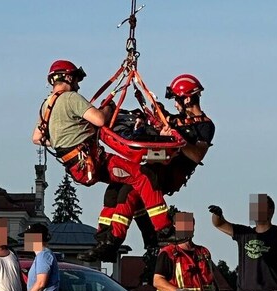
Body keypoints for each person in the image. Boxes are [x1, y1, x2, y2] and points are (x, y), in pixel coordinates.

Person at [31, 60, 173, 262]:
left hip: (77, 167)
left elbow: (37, 137)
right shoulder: (71, 98)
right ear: (69, 78)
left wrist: (64, 135)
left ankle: (106, 238)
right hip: (92, 160)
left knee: (119, 187)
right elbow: (100, 120)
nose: (78, 85)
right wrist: (110, 107)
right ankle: (163, 229)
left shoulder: (47, 105)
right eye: (77, 80)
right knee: (142, 175)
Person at [91, 73, 216, 262]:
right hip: (153, 167)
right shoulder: (174, 120)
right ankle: (105, 238)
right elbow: (159, 123)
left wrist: (176, 137)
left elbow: (197, 154)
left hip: (170, 174)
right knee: (114, 190)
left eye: (177, 100)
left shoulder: (205, 126)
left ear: (188, 98)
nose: (176, 104)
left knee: (128, 192)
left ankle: (116, 241)